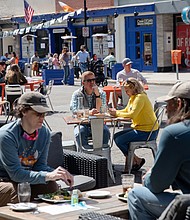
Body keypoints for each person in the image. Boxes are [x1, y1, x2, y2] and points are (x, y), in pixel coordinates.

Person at [128, 81, 190, 220]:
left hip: (187, 205)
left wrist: (150, 175)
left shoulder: (175, 133)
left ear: (179, 104)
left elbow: (156, 185)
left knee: (135, 196)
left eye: (169, 104)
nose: (167, 110)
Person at [0, 92, 73, 206]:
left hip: (23, 179)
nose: (42, 118)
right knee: (19, 191)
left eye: (44, 114)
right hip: (4, 179)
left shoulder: (44, 133)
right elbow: (16, 174)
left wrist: (57, 173)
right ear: (23, 111)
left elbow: (39, 166)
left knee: (51, 186)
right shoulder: (7, 135)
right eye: (38, 114)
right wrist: (48, 176)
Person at [109, 78, 158, 172]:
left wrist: (116, 114)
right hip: (140, 128)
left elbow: (132, 114)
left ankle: (132, 161)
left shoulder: (140, 97)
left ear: (133, 88)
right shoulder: (133, 97)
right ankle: (136, 160)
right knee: (116, 136)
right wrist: (116, 112)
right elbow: (127, 110)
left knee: (120, 140)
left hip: (147, 131)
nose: (126, 93)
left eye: (127, 90)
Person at [70, 71, 110, 149]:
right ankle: (85, 156)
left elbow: (102, 110)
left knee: (105, 132)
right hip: (82, 123)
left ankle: (103, 154)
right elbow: (73, 110)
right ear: (83, 83)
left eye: (93, 80)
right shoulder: (77, 94)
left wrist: (97, 95)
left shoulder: (101, 93)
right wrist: (89, 113)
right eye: (89, 81)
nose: (92, 82)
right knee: (80, 132)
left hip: (98, 122)